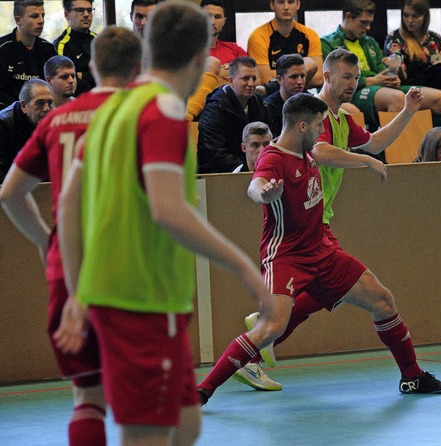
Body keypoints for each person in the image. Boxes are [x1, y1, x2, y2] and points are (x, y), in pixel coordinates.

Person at [54, 3, 271, 444]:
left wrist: (77, 293)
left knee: (186, 424)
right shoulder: (167, 112)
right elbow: (168, 210)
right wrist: (246, 268)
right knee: (147, 434)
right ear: (199, 61)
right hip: (139, 300)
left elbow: (68, 205)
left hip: (137, 299)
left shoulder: (112, 108)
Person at [196, 92, 441, 404]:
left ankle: (412, 377)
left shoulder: (307, 152)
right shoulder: (273, 158)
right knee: (271, 328)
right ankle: (202, 390)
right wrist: (263, 193)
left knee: (383, 301)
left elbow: (331, 154)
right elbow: (256, 185)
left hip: (323, 251)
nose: (323, 132)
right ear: (302, 126)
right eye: (319, 126)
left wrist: (365, 159)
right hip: (287, 257)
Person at [0, 26, 141, 446]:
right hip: (125, 263)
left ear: (93, 66)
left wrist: (47, 242)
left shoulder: (55, 120)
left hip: (69, 263)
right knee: (143, 395)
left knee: (87, 398)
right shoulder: (137, 115)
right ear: (137, 69)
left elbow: (10, 193)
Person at [321, 0, 441, 132]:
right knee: (396, 98)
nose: (368, 28)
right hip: (355, 91)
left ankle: (432, 146)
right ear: (348, 16)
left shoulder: (369, 42)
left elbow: (381, 68)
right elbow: (334, 80)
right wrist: (369, 81)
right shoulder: (328, 43)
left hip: (382, 87)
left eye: (370, 23)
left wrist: (393, 75)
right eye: (363, 22)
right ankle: (393, 151)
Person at [385, 0, 441, 110]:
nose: (409, 20)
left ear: (425, 16)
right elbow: (401, 75)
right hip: (412, 80)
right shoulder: (395, 38)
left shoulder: (435, 37)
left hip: (437, 77)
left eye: (415, 16)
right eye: (406, 15)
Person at [197, 56, 270, 173]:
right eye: (245, 78)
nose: (251, 83)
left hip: (253, 170)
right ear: (231, 81)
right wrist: (245, 168)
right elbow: (212, 151)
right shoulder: (214, 109)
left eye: (254, 78)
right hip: (218, 174)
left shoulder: (260, 103)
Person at [186, 0, 249, 121]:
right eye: (207, 16)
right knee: (212, 63)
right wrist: (225, 73)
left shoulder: (235, 49)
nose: (212, 21)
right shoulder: (187, 49)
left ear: (224, 21)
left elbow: (252, 78)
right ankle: (188, 117)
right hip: (200, 115)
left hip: (231, 111)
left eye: (217, 17)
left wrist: (209, 75)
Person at [248, 0, 324, 92]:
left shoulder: (310, 35)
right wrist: (302, 75)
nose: (286, 7)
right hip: (271, 96)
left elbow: (319, 78)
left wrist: (279, 77)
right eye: (281, 2)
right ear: (272, 5)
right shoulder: (258, 36)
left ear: (298, 4)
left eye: (291, 2)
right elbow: (265, 79)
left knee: (310, 63)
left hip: (300, 94)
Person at [0, 0, 57, 109]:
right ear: (18, 20)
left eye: (43, 15)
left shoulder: (49, 49)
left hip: (43, 110)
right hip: (9, 113)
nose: (41, 20)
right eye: (34, 16)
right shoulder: (3, 49)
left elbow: (55, 86)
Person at [0, 79, 52, 182]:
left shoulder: (48, 121)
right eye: (40, 103)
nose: (47, 108)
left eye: (50, 103)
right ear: (24, 106)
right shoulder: (3, 124)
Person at [53, 0, 97, 96]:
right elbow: (67, 83)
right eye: (80, 10)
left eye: (89, 10)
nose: (86, 15)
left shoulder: (99, 40)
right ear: (66, 14)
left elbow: (110, 74)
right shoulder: (61, 45)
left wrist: (82, 75)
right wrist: (94, 76)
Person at [264, 53, 306, 137]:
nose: (300, 82)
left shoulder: (311, 103)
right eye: (294, 77)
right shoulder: (269, 108)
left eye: (302, 76)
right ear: (279, 79)